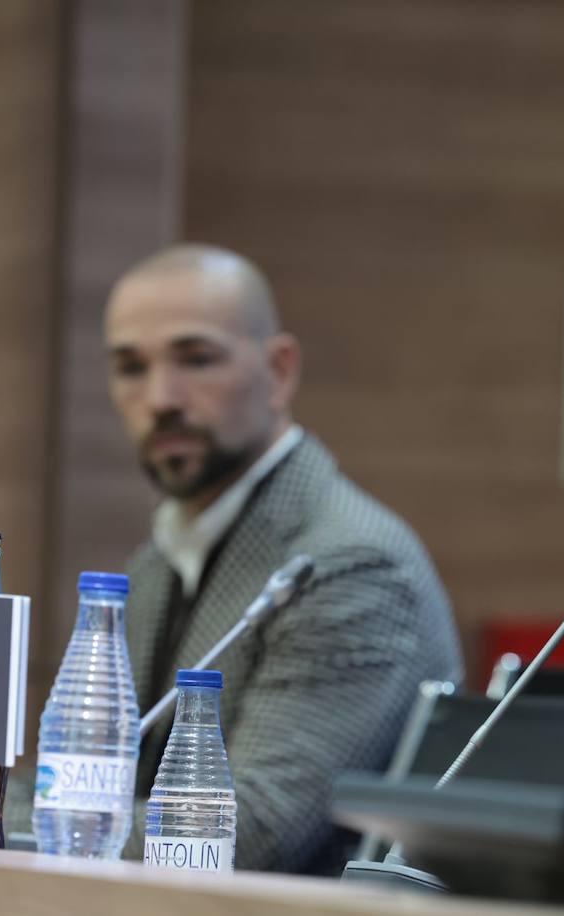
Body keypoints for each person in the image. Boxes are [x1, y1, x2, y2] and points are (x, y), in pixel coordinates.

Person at [92, 244, 461, 873]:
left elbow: (243, 831)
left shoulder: (350, 564)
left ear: (280, 371)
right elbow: (87, 775)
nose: (160, 398)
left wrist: (34, 831)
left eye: (196, 358)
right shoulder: (158, 562)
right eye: (131, 367)